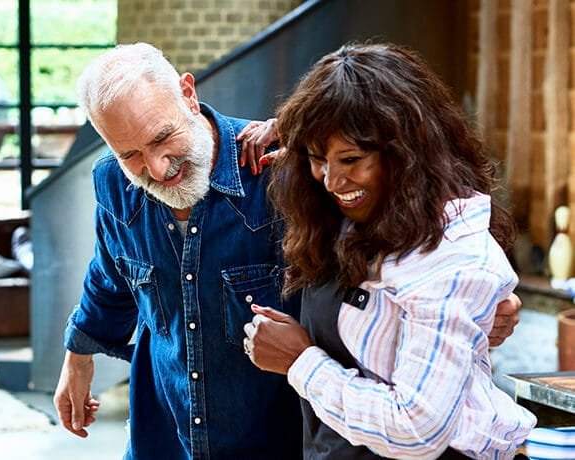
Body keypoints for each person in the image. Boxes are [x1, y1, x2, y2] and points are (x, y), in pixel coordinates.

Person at [54, 42, 523, 459]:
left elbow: (402, 225)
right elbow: (112, 272)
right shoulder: (113, 183)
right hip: (164, 440)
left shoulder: (284, 173)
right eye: (130, 154)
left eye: (161, 138)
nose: (155, 168)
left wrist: (474, 304)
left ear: (188, 94)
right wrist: (78, 356)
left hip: (281, 440)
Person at [243, 43, 536, 459]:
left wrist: (299, 362)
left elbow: (416, 429)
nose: (331, 180)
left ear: (406, 153)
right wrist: (300, 132)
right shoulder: (352, 216)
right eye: (317, 158)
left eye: (351, 159)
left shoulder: (454, 257)